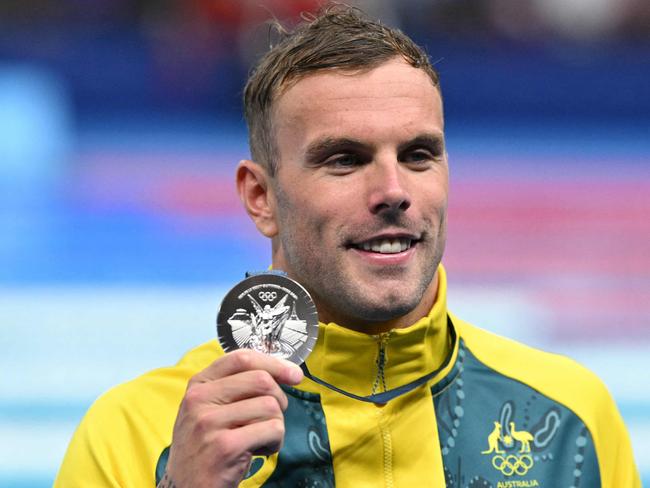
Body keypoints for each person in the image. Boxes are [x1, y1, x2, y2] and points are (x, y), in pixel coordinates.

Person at [55, 6, 640, 488]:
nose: (393, 192)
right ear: (261, 197)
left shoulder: (567, 421)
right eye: (344, 160)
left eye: (418, 155)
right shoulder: (134, 436)